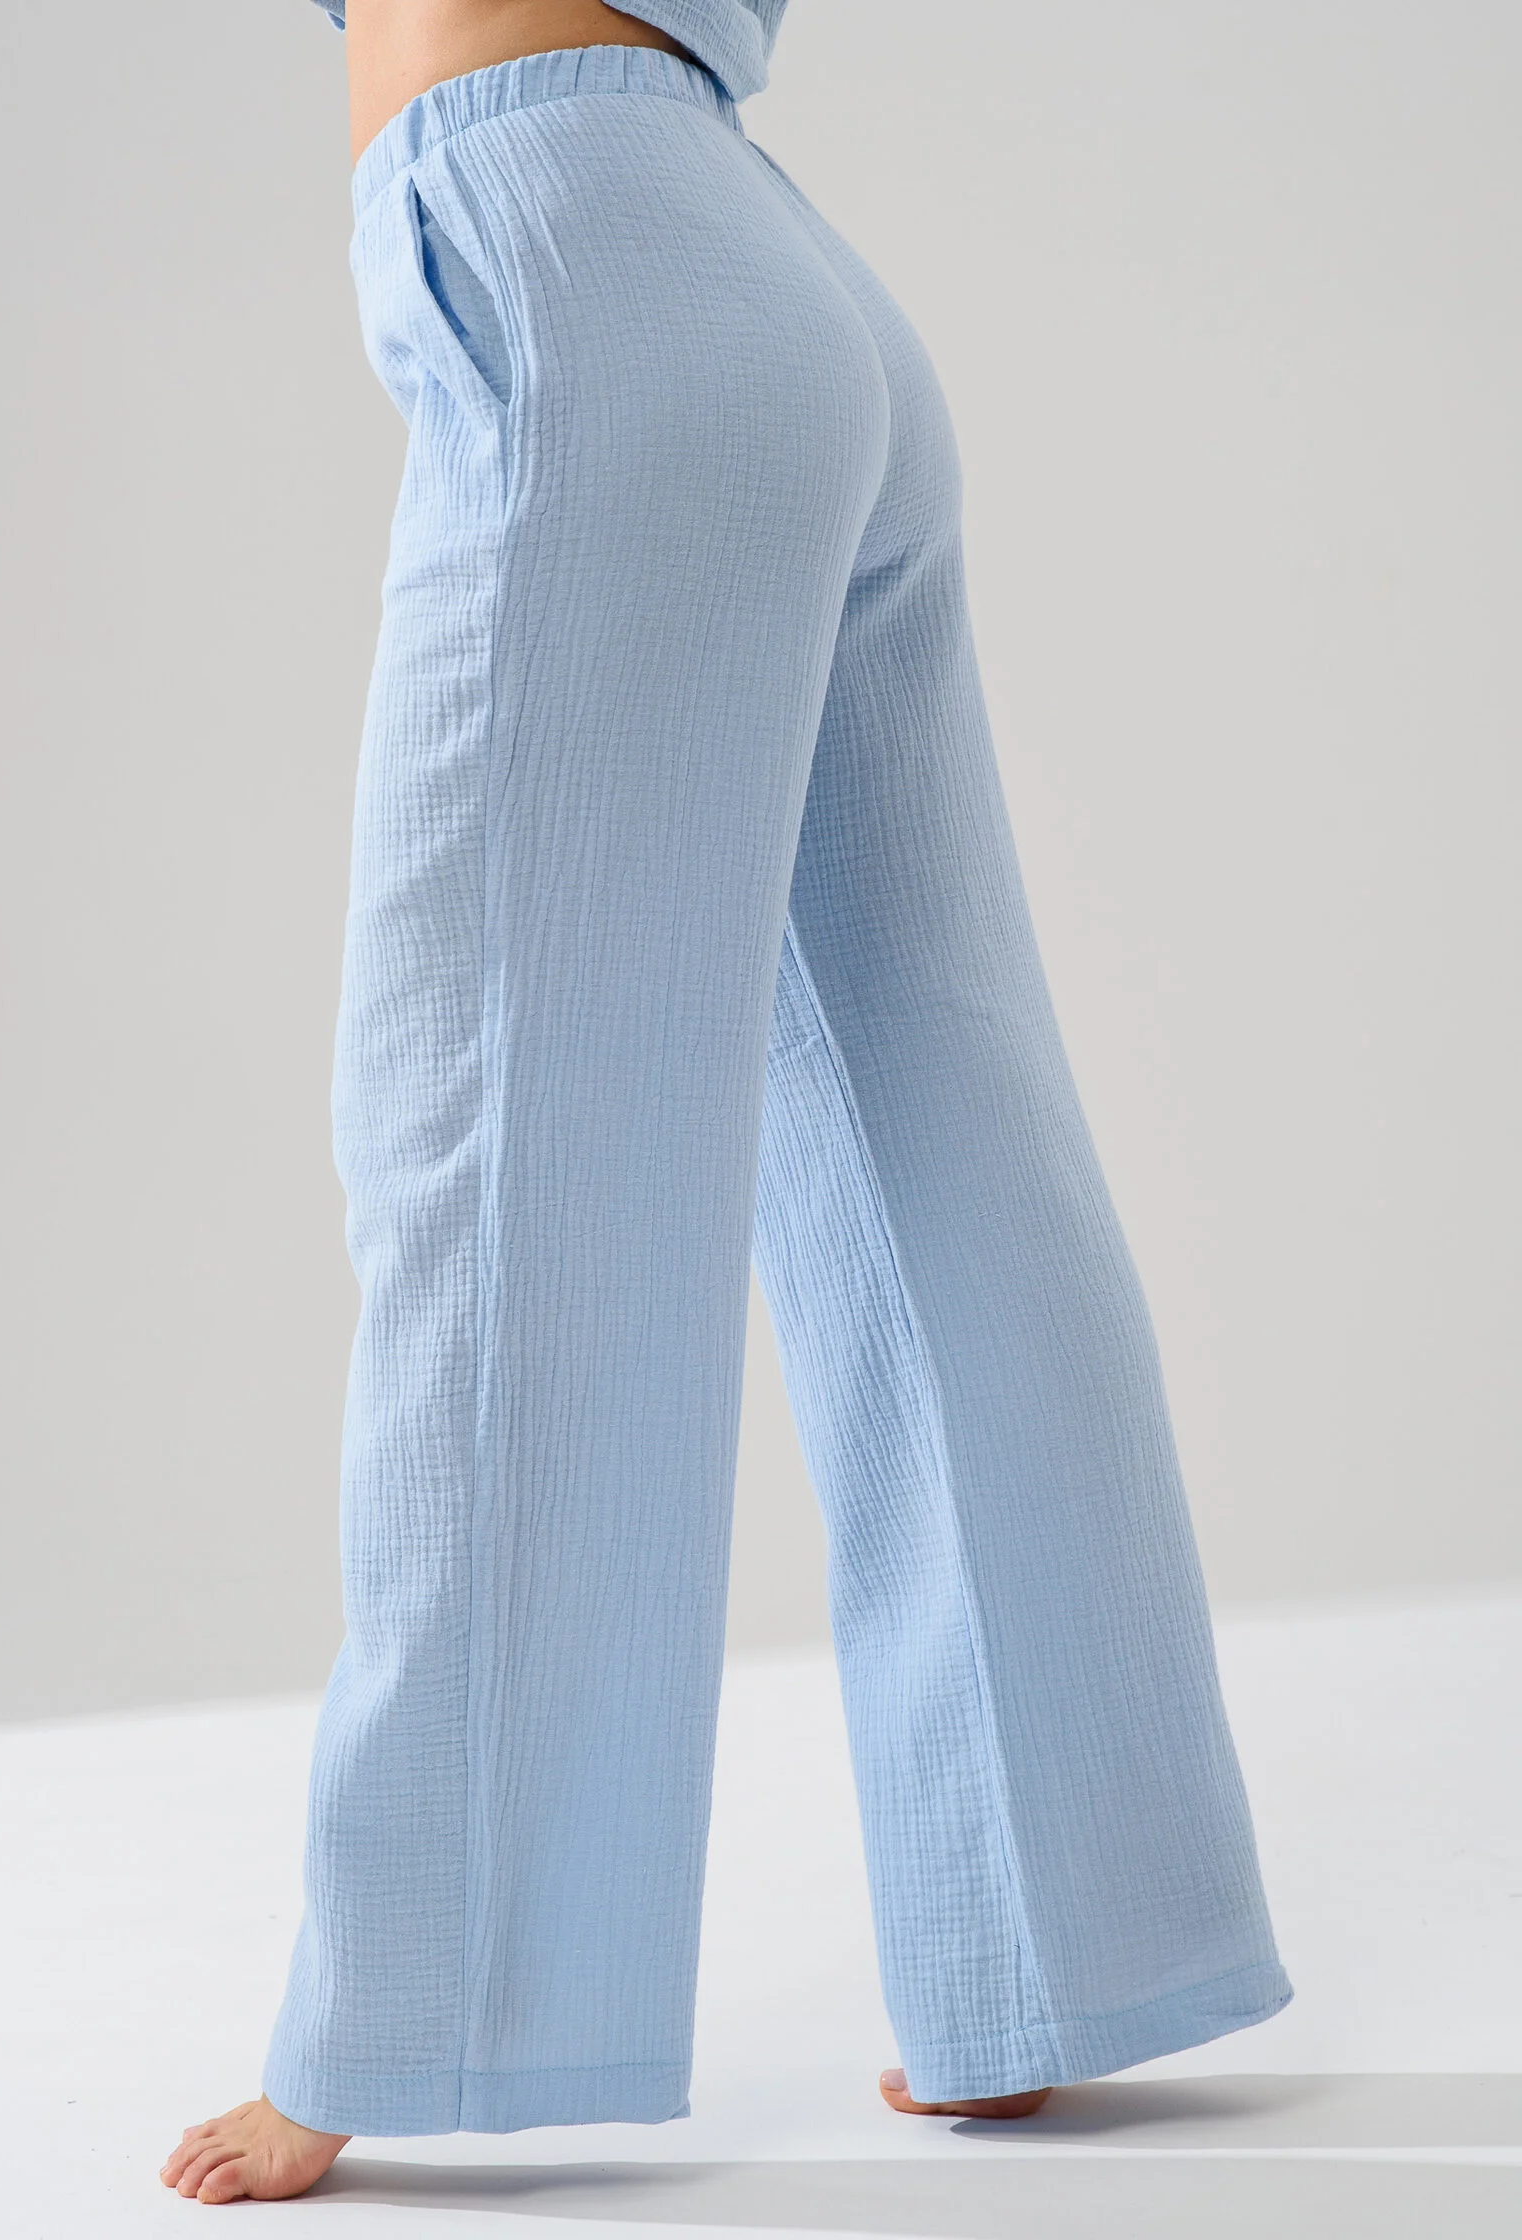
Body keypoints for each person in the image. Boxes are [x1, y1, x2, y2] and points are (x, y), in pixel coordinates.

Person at [161, 0, 1291, 2205]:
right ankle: (1056, 1950)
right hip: (767, 269)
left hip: (566, 240)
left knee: (495, 1150)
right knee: (940, 1132)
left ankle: (425, 2000)